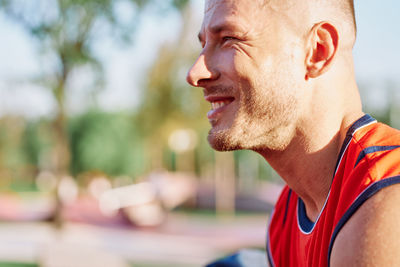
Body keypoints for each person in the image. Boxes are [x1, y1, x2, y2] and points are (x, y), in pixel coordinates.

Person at [186, 0, 400, 266]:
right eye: (203, 44)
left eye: (229, 39)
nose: (195, 73)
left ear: (318, 51)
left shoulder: (386, 200)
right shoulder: (286, 215)